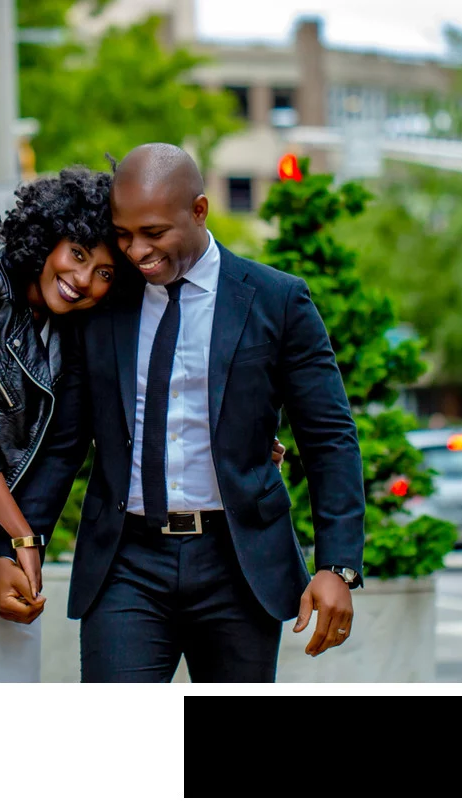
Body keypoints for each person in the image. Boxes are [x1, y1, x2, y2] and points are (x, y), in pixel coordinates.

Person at [0, 165, 290, 682]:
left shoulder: (76, 331)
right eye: (78, 254)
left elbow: (109, 422)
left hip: (5, 544)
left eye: (106, 273)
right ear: (47, 237)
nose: (82, 280)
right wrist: (23, 537)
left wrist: (236, 442)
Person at [64, 143, 366, 683]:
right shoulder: (105, 306)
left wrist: (336, 565)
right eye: (125, 234)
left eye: (154, 233)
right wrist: (18, 544)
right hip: (126, 562)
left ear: (199, 211)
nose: (136, 251)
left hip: (238, 562)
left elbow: (329, 437)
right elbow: (66, 439)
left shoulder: (277, 300)